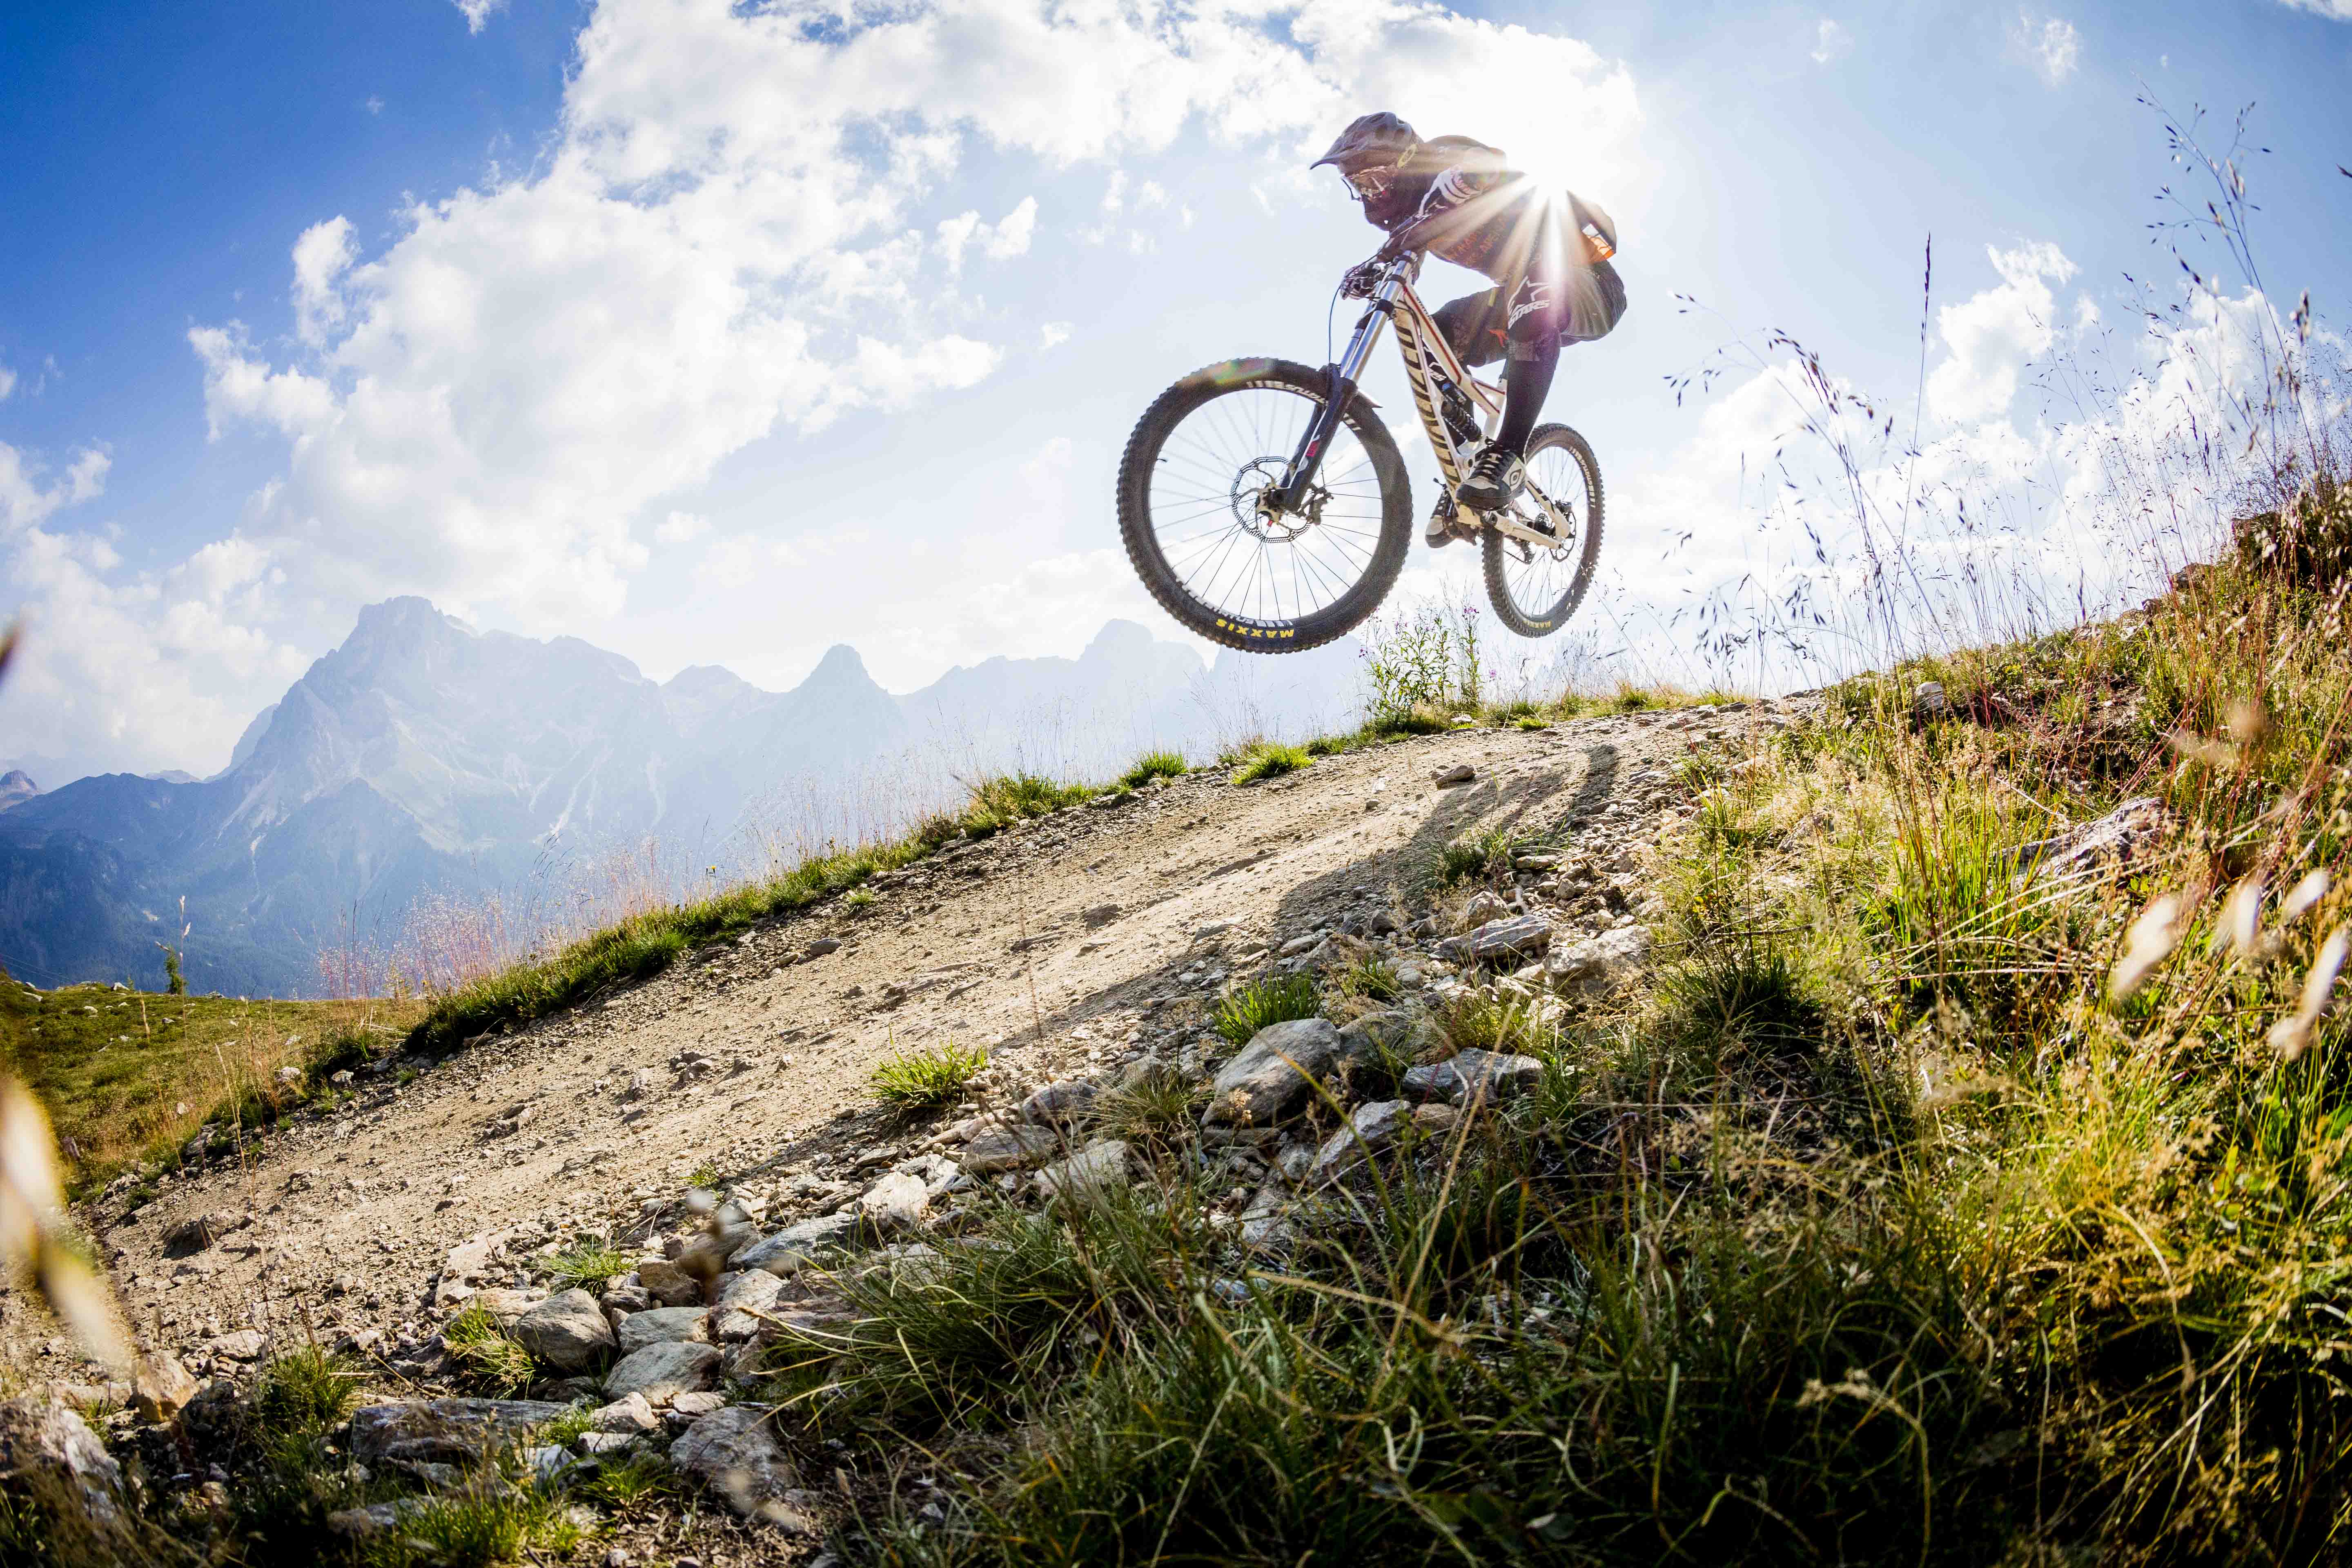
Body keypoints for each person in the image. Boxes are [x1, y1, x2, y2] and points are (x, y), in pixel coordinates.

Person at [1312, 112, 1626, 543]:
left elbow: (1491, 163)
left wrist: (1461, 179)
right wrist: (1375, 267)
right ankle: (1467, 468)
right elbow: (1408, 267)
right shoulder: (1413, 218)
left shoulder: (1441, 156)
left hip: (1589, 288)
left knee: (1534, 291)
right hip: (1517, 298)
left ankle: (1508, 455)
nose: (1370, 192)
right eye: (1359, 185)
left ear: (1406, 161)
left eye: (1375, 179)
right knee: (1434, 337)